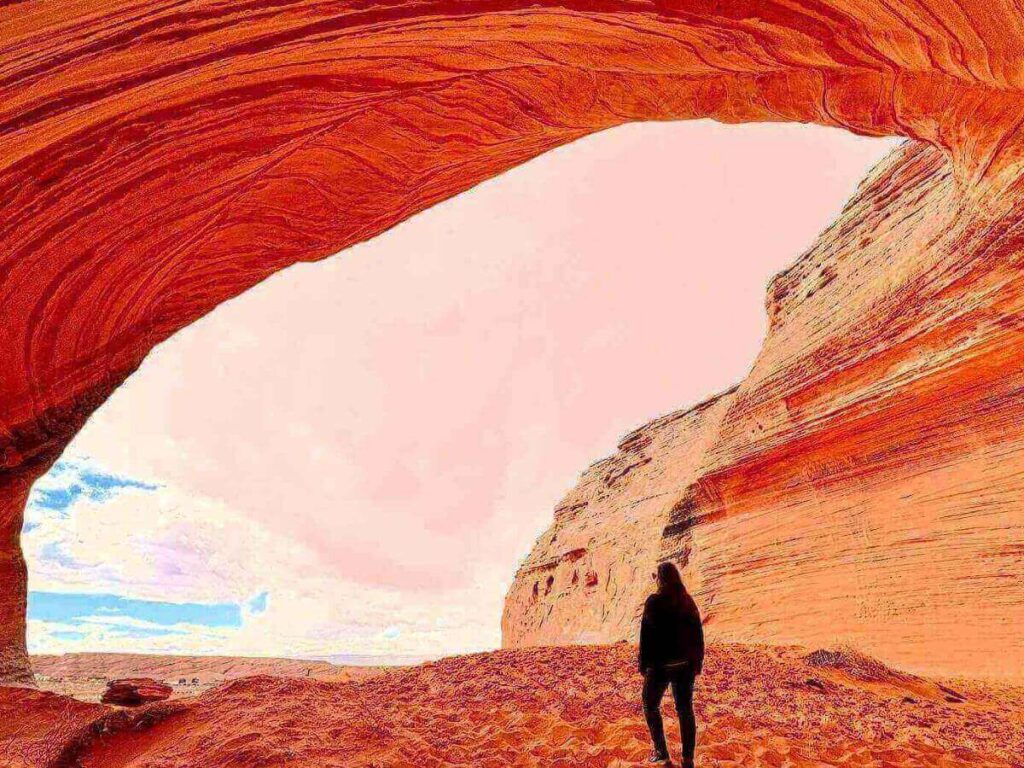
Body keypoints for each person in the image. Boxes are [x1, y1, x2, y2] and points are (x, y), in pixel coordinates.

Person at [638, 561, 704, 766]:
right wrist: (697, 662)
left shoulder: (653, 602)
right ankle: (688, 758)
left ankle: (662, 753)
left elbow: (646, 637)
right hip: (685, 665)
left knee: (650, 706)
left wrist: (644, 664)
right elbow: (698, 635)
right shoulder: (687, 601)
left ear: (660, 579)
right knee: (685, 709)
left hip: (659, 666)